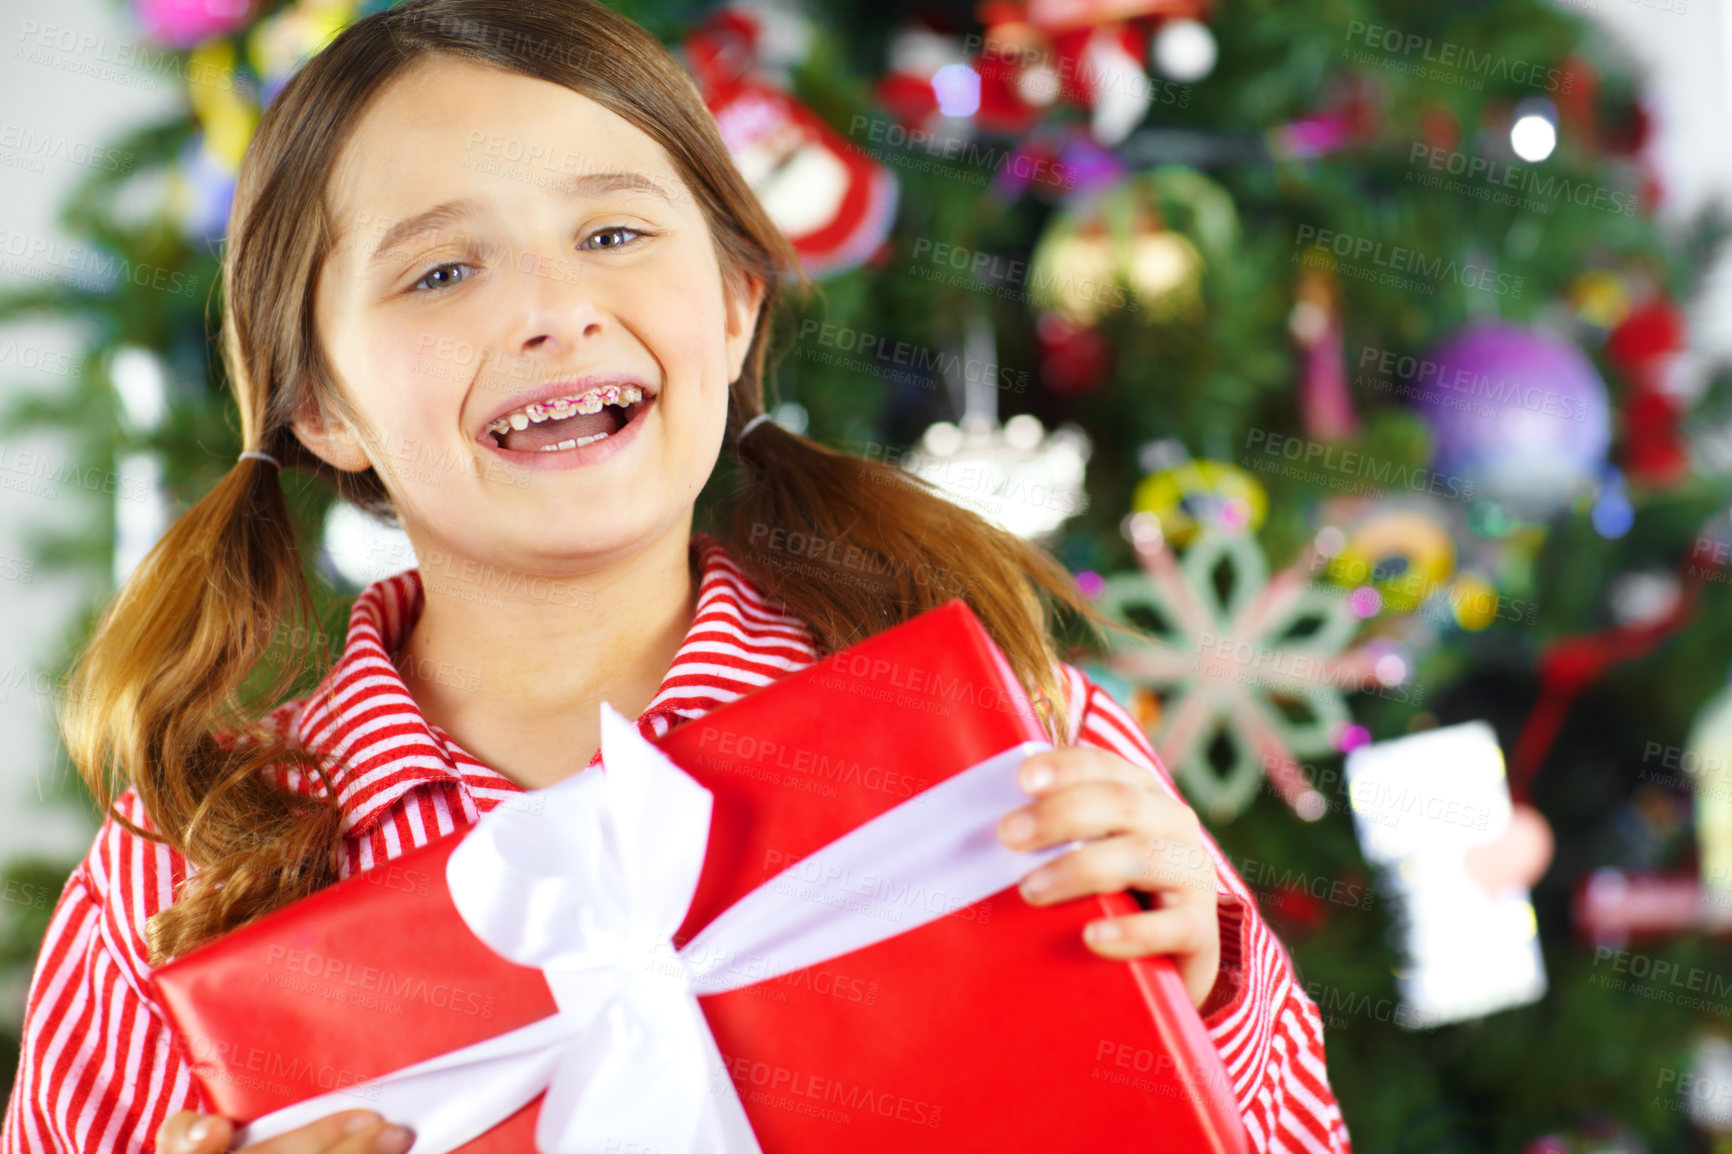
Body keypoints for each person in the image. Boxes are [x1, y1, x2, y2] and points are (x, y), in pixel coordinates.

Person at [1, 1, 1352, 1151]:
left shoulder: (1019, 747)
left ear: (734, 303)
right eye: (442, 270)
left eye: (613, 236)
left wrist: (1201, 992)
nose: (552, 308)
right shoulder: (167, 887)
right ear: (321, 405)